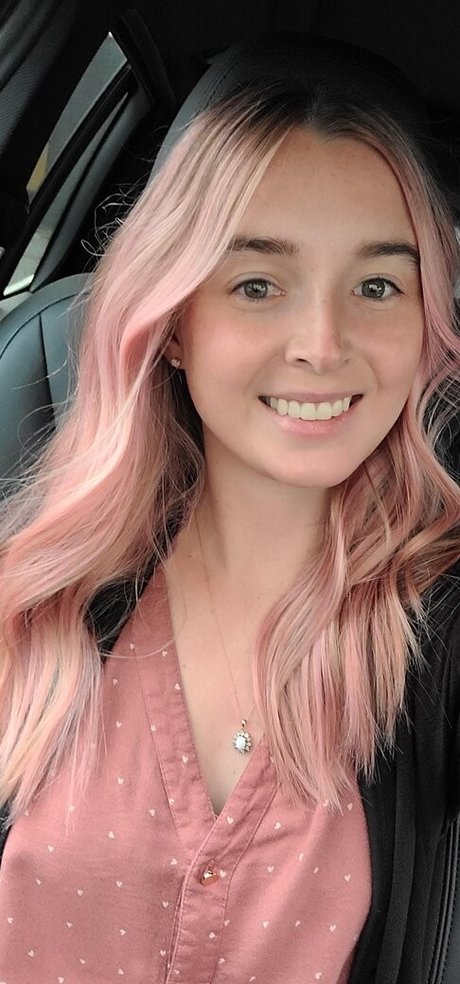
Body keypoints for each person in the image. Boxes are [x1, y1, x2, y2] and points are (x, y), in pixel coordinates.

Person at [0, 34, 459, 984]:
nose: (322, 343)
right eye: (257, 284)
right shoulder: (30, 601)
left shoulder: (437, 629)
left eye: (378, 285)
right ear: (173, 321)